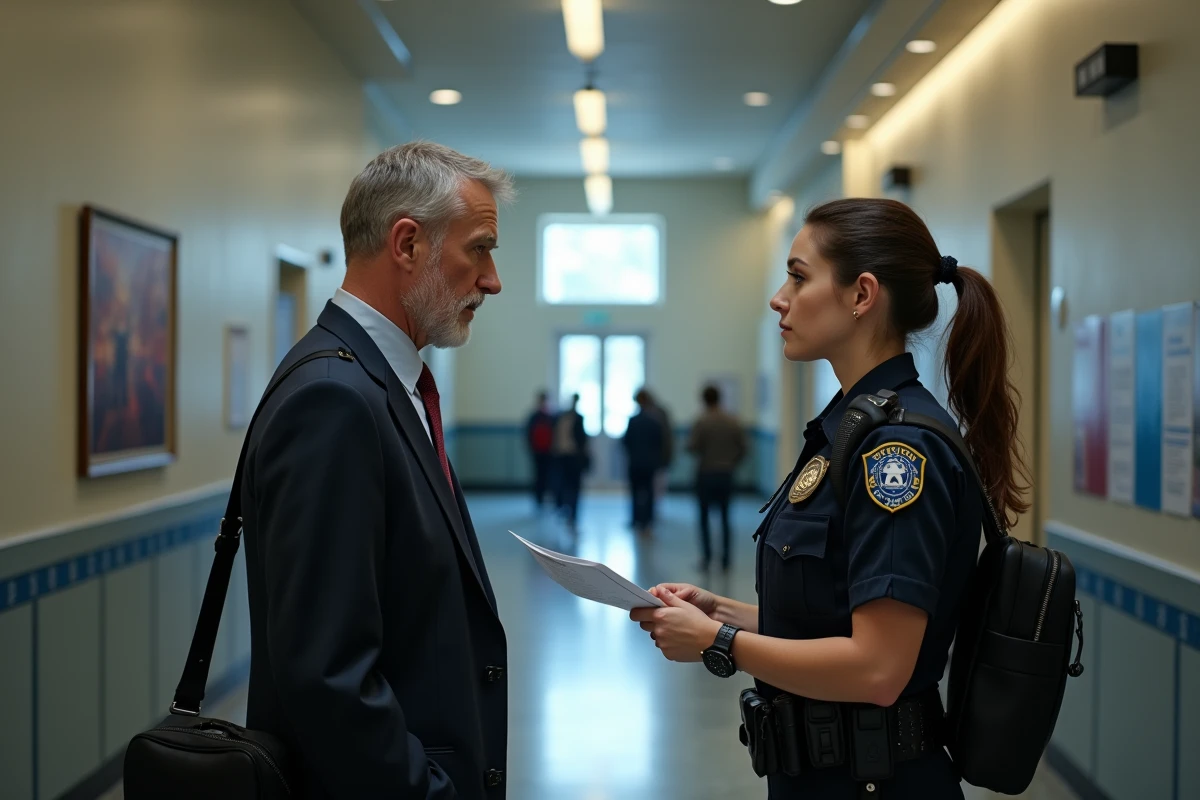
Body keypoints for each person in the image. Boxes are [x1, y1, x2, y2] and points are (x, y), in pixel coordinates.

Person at [631, 198, 1031, 799]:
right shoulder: (850, 429)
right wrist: (722, 611)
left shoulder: (895, 452)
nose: (779, 297)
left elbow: (877, 667)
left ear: (861, 295)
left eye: (797, 275)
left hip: (873, 782)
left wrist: (719, 644)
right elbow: (836, 619)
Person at [240, 141, 514, 799]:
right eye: (479, 248)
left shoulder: (382, 385)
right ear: (408, 244)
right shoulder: (335, 398)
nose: (492, 280)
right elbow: (327, 673)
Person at [686, 383, 746, 571]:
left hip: (706, 474)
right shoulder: (732, 421)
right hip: (726, 474)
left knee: (704, 517)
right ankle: (726, 559)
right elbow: (744, 448)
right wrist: (732, 462)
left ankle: (706, 557)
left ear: (704, 400)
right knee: (725, 516)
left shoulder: (702, 422)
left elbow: (692, 447)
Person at [622, 389, 665, 536]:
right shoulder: (655, 421)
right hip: (649, 463)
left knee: (635, 492)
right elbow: (660, 443)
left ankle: (636, 520)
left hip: (635, 463)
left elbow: (626, 442)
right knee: (649, 493)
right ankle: (647, 523)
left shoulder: (633, 421)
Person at [552, 393, 589, 528]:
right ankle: (564, 508)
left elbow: (582, 440)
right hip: (562, 456)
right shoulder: (559, 418)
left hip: (574, 457)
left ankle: (573, 512)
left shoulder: (578, 419)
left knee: (574, 485)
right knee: (562, 484)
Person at [525, 390, 556, 510]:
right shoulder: (534, 417)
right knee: (538, 476)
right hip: (537, 452)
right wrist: (531, 448)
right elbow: (528, 435)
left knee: (549, 476)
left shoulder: (551, 417)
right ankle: (538, 500)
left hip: (549, 452)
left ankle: (548, 498)